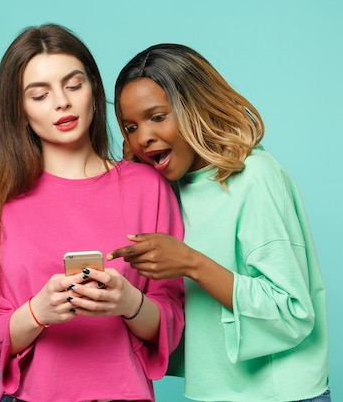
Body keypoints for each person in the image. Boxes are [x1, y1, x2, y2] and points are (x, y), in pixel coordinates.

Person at [0, 25, 185, 402]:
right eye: (40, 95)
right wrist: (39, 310)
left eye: (73, 85)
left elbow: (172, 320)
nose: (61, 102)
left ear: (94, 89)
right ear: (20, 111)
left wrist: (130, 303)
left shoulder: (148, 188)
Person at [107, 44, 330, 402]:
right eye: (131, 126)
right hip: (210, 392)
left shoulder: (255, 177)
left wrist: (191, 263)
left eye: (158, 117)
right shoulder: (167, 190)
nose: (142, 137)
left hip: (279, 394)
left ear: (194, 106)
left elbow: (292, 311)